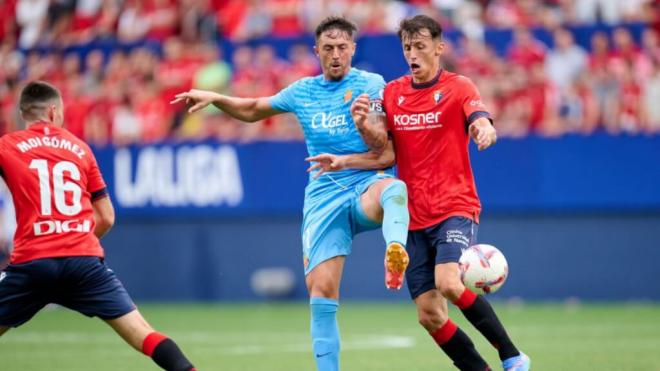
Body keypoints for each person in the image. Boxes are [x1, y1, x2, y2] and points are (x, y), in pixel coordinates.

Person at [171, 16, 410, 371]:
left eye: (342, 48)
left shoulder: (372, 85)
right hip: (323, 196)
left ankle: (396, 250)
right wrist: (217, 98)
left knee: (394, 189)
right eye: (328, 48)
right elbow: (254, 110)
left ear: (353, 50)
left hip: (363, 182)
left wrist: (362, 127)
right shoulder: (303, 91)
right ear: (316, 51)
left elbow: (386, 152)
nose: (335, 55)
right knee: (322, 293)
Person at [318, 15, 531, 371]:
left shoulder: (459, 87)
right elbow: (384, 153)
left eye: (419, 46)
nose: (412, 54)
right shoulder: (392, 93)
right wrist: (348, 156)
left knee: (448, 281)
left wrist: (483, 130)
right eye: (406, 47)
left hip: (454, 206)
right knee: (430, 315)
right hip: (412, 217)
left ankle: (512, 355)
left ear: (438, 48)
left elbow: (478, 116)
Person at [0, 81, 196, 371]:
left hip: (33, 263)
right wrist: (73, 238)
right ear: (54, 111)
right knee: (143, 334)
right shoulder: (80, 149)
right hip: (83, 261)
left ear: (23, 113)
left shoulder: (7, 146)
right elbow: (106, 217)